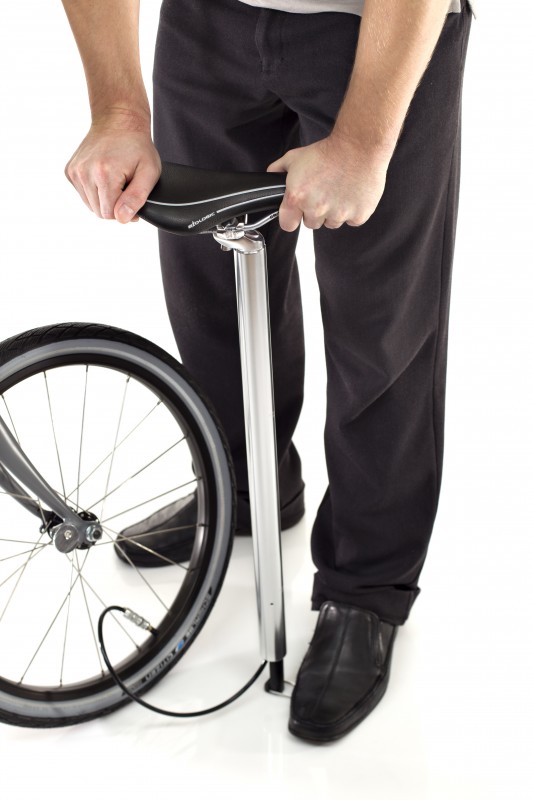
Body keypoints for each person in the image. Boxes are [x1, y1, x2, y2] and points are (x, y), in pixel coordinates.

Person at [61, 0, 474, 742]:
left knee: (380, 328)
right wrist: (118, 109)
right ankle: (246, 488)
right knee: (208, 291)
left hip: (375, 28)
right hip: (207, 23)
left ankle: (365, 587)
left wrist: (362, 143)